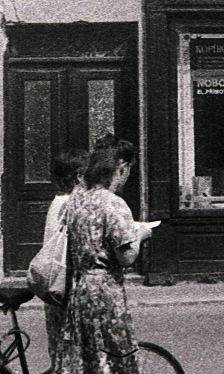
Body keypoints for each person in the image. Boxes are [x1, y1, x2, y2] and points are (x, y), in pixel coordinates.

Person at [57, 138, 156, 374]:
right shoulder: (113, 204)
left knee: (88, 357)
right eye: (127, 171)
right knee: (116, 356)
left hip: (80, 289)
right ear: (120, 168)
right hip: (104, 290)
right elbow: (127, 257)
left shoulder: (76, 200)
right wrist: (140, 235)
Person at [40, 149, 87, 370]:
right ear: (79, 176)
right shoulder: (71, 204)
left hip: (54, 286)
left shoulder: (57, 202)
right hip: (66, 287)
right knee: (70, 355)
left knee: (59, 353)